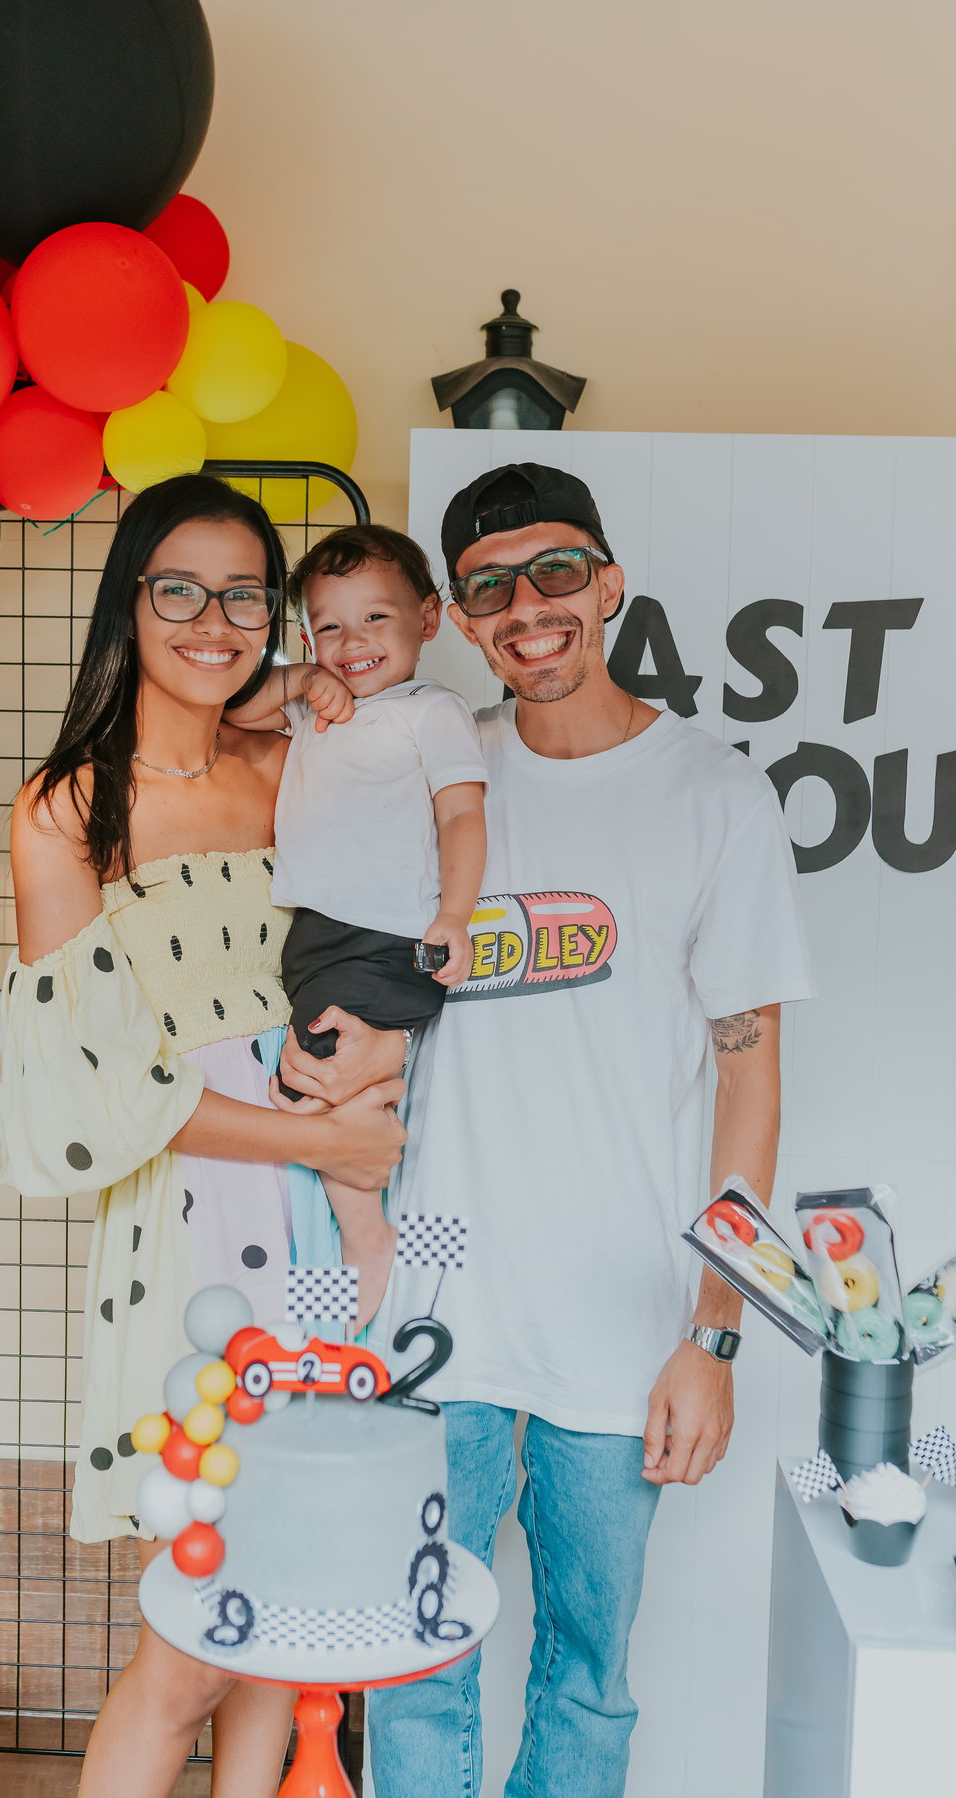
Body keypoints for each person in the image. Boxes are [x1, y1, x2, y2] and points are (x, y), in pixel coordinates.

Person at [367, 462, 817, 1798]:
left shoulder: (712, 796)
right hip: (432, 1306)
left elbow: (750, 1079)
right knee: (414, 1653)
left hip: (623, 1322)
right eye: (493, 585)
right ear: (459, 616)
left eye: (559, 570)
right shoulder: (428, 786)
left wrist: (715, 1331)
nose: (531, 606)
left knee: (586, 1668)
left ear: (610, 583)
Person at [0, 474, 408, 1798]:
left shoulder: (295, 768)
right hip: (190, 1236)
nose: (214, 618)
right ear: (132, 599)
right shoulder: (68, 809)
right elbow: (110, 1087)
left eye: (245, 592)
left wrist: (322, 700)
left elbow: (387, 939)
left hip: (317, 1211)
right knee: (187, 1642)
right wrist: (326, 1150)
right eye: (180, 586)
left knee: (280, 1629)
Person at [226, 523, 488, 1329]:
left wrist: (454, 913)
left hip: (383, 935)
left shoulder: (430, 710)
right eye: (328, 625)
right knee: (334, 1086)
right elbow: (232, 712)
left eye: (375, 619)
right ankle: (367, 1283)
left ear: (429, 619)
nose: (352, 642)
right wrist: (299, 677)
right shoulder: (315, 709)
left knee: (313, 1080)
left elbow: (462, 816)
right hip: (318, 934)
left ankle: (367, 1236)